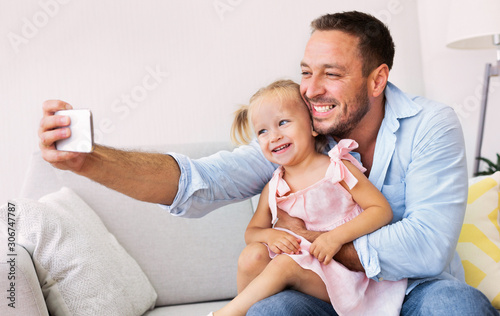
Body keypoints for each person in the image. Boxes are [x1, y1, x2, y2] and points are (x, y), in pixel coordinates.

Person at [39, 11, 497, 316]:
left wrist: (316, 243)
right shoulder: (298, 135)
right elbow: (204, 180)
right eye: (305, 71)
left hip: (410, 291)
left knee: (458, 306)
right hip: (321, 290)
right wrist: (90, 160)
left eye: (331, 74)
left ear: (377, 79)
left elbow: (427, 245)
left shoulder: (431, 125)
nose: (311, 89)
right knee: (268, 311)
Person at [209, 79, 407, 316]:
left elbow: (381, 210)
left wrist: (335, 238)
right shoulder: (274, 187)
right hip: (305, 275)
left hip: (348, 276)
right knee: (252, 256)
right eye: (263, 131)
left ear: (313, 126)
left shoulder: (337, 169)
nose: (273, 136)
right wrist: (270, 235)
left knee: (284, 265)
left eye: (283, 123)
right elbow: (251, 233)